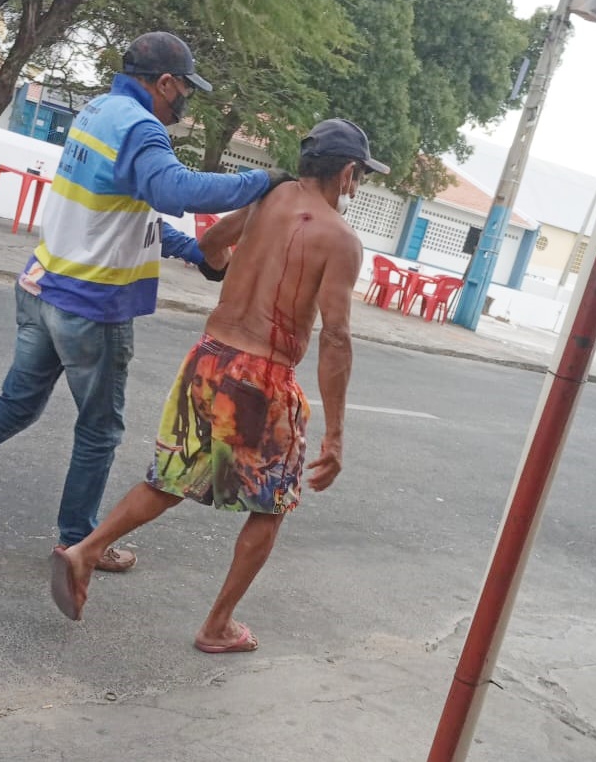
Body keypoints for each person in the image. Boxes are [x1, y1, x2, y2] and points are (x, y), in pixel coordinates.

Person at [0, 31, 291, 570]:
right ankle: (79, 542)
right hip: (91, 307)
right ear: (166, 82)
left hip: (44, 286)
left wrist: (194, 251)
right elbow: (176, 190)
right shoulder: (141, 127)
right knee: (99, 431)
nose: (185, 102)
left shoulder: (99, 112)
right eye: (185, 90)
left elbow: (122, 212)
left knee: (16, 404)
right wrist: (262, 181)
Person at [50, 118, 390, 652]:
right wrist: (336, 435)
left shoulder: (266, 197)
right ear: (347, 174)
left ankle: (85, 550)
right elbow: (336, 337)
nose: (357, 187)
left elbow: (210, 244)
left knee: (169, 479)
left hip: (208, 358)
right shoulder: (340, 239)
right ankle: (217, 626)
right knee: (270, 506)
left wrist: (242, 276)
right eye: (361, 178)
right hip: (263, 378)